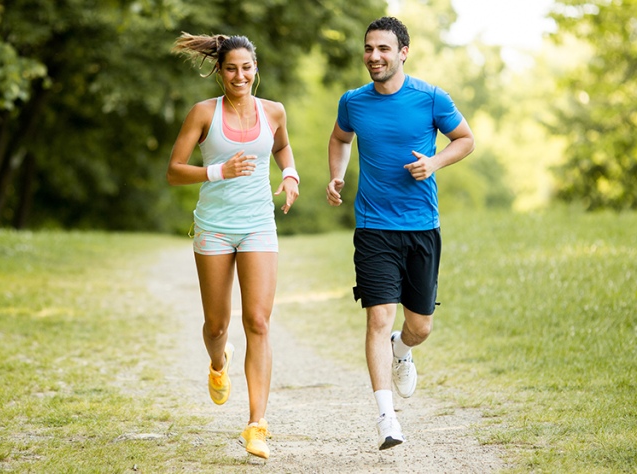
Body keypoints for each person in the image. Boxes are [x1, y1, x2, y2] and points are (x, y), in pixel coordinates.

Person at [326, 17, 475, 450]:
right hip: (373, 228)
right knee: (377, 317)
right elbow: (340, 139)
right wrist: (337, 175)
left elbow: (465, 139)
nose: (374, 56)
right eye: (369, 49)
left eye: (383, 49)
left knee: (420, 327)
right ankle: (386, 419)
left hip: (421, 227)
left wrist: (434, 163)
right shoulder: (353, 102)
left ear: (403, 52)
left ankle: (403, 350)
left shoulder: (430, 98)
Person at [167, 32, 300, 460]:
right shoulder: (203, 113)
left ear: (255, 69)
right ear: (220, 71)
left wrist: (291, 173)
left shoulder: (274, 111)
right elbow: (174, 170)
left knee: (258, 322)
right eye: (231, 68)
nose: (239, 75)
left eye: (246, 67)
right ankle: (218, 362)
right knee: (217, 326)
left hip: (259, 224)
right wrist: (218, 171)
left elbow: (280, 146)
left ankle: (256, 425)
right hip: (215, 227)